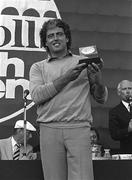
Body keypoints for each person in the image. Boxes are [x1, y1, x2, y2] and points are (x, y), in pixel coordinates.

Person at [29, 18, 108, 180]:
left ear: (67, 38)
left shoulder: (84, 61)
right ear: (45, 41)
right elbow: (37, 96)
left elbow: (101, 98)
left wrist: (98, 79)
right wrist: (68, 77)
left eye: (59, 34)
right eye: (50, 36)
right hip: (49, 128)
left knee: (83, 178)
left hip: (78, 127)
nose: (55, 38)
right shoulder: (38, 67)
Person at [109, 80, 132, 154]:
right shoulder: (115, 112)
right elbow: (114, 134)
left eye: (130, 88)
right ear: (119, 92)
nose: (128, 91)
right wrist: (128, 130)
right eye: (124, 89)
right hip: (127, 152)